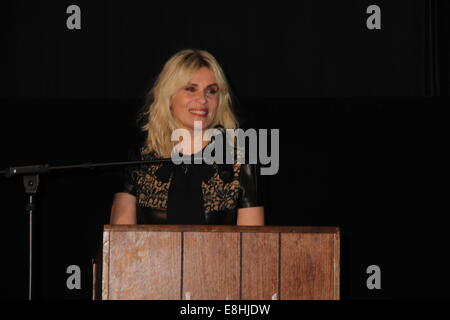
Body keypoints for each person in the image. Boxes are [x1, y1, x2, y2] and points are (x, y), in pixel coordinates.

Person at [110, 49, 264, 226]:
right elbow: (119, 243)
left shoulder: (238, 163)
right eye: (191, 89)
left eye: (211, 91)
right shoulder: (140, 160)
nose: (203, 100)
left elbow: (254, 246)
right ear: (169, 97)